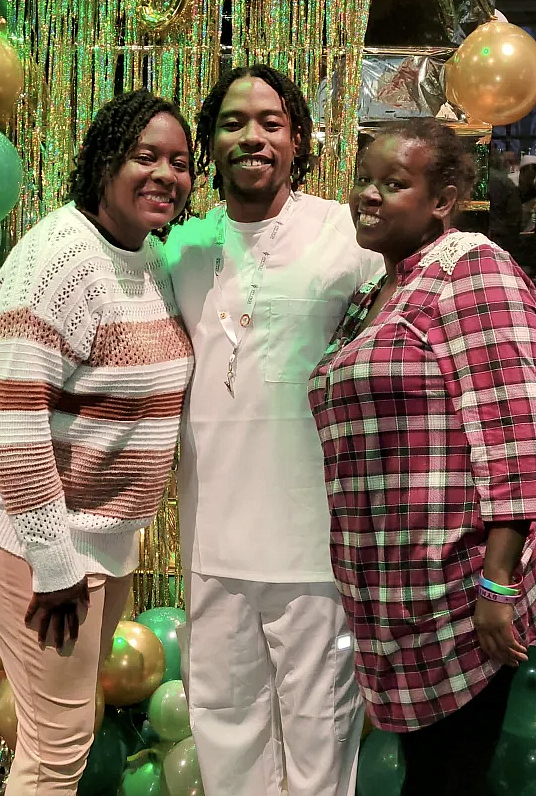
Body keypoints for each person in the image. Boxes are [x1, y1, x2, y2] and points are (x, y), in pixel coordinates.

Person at [0, 89, 195, 795]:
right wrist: (54, 565)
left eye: (178, 162)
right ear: (104, 161)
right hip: (24, 527)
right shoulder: (56, 258)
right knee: (58, 749)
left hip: (97, 530)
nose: (165, 175)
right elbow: (14, 421)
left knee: (63, 725)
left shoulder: (150, 258)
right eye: (145, 156)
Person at [165, 64, 383, 796]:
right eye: (232, 122)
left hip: (316, 546)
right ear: (209, 143)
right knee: (224, 727)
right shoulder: (181, 249)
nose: (252, 136)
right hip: (213, 543)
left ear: (298, 140)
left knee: (321, 739)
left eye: (270, 122)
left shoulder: (347, 236)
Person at [308, 117, 536, 796]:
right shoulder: (370, 299)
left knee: (445, 780)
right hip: (388, 596)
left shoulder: (471, 268)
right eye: (364, 180)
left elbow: (515, 433)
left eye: (393, 183)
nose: (367, 196)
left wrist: (499, 583)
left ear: (442, 199)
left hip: (459, 594)